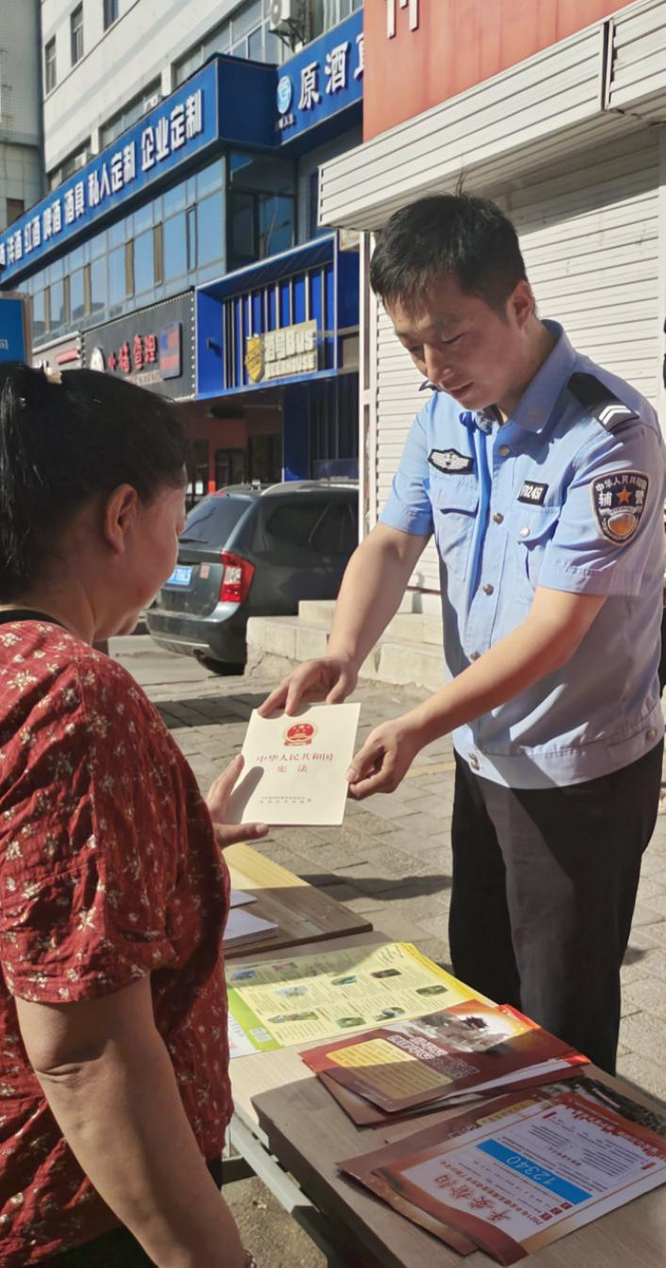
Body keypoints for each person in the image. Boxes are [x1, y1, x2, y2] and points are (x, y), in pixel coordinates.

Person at [0, 363, 267, 1268]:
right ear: (121, 517)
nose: (176, 545)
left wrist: (173, 843)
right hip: (43, 1214)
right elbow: (85, 1053)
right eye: (176, 521)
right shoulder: (66, 693)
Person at [262, 194, 666, 1076]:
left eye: (452, 337)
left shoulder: (610, 435)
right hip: (483, 756)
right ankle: (486, 1165)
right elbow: (393, 541)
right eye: (410, 345)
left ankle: (573, 1182)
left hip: (578, 769)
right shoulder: (445, 413)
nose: (433, 366)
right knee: (479, 991)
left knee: (561, 1013)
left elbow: (556, 631)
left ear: (519, 305)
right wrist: (341, 653)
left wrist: (418, 724)